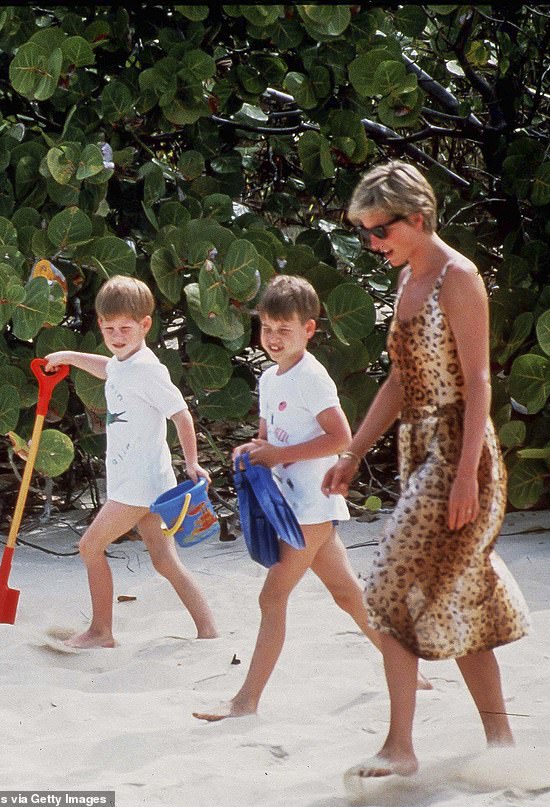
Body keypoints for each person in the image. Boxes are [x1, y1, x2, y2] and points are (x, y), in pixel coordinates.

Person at [323, 161, 530, 778]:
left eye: (379, 231)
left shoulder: (458, 278)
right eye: (364, 233)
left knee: (385, 592)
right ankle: (503, 747)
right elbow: (399, 379)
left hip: (460, 452)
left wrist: (466, 475)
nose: (372, 243)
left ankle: (400, 748)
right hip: (419, 451)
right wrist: (354, 452)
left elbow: (478, 382)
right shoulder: (409, 277)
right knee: (464, 596)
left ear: (416, 219)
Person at [194, 275, 420, 723]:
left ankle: (247, 700)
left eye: (285, 330)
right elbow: (267, 437)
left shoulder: (312, 377)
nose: (274, 339)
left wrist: (280, 454)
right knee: (347, 594)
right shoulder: (269, 376)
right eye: (267, 329)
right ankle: (409, 668)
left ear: (309, 330)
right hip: (289, 503)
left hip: (312, 504)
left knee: (271, 598)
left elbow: (341, 437)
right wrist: (252, 450)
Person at [45, 275, 218, 648]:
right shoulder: (127, 362)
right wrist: (70, 358)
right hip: (143, 480)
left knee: (90, 547)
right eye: (109, 329)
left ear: (145, 325)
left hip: (139, 484)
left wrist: (192, 463)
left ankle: (101, 631)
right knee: (164, 561)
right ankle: (208, 630)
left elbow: (181, 414)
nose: (117, 336)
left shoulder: (149, 370)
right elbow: (109, 368)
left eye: (125, 328)